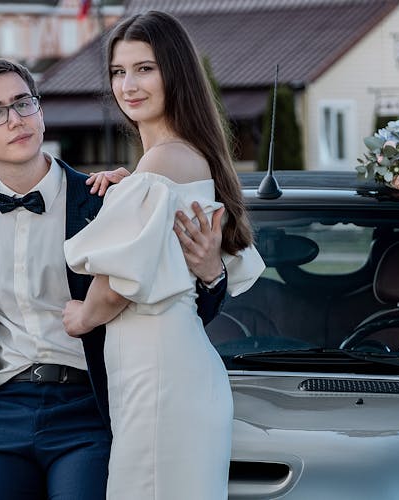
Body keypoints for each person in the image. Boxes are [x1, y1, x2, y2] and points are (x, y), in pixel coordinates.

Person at [0, 57, 229, 499]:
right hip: (1, 409)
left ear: (41, 112)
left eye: (23, 103)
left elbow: (180, 310)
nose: (15, 120)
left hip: (88, 406)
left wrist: (210, 273)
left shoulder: (107, 198)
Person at [62, 11, 265, 499]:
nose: (128, 85)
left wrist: (81, 316)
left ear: (176, 72)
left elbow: (116, 284)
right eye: (118, 71)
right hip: (171, 371)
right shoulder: (177, 160)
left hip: (160, 379)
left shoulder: (163, 162)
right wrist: (130, 189)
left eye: (144, 68)